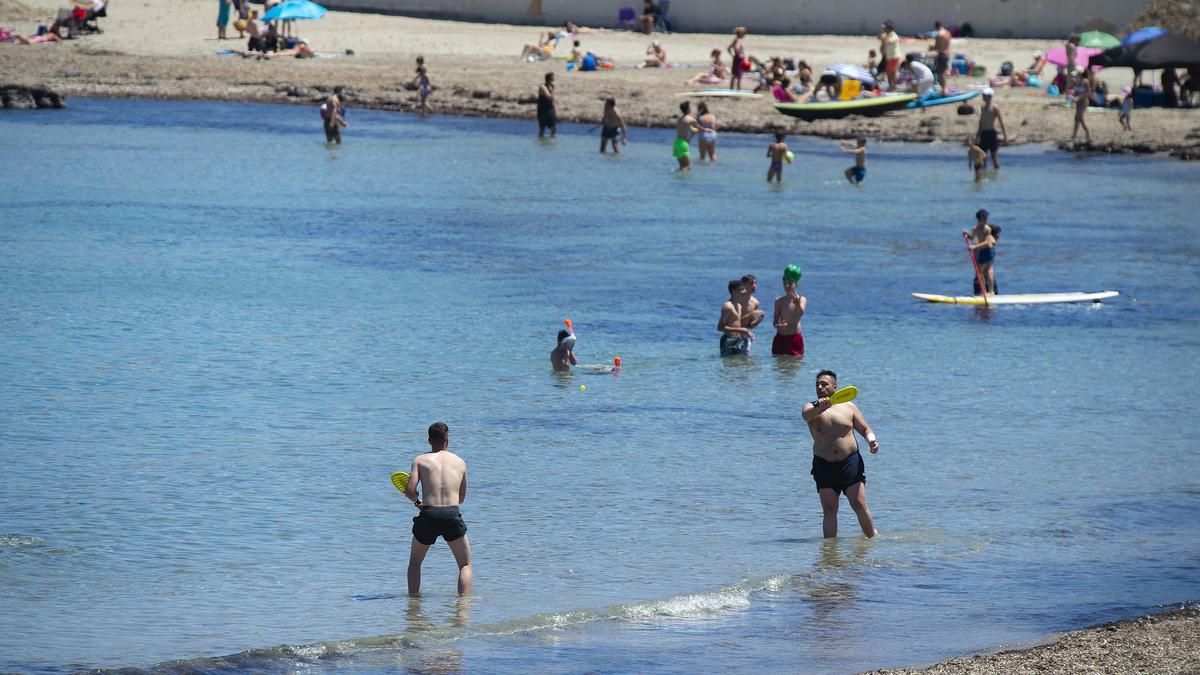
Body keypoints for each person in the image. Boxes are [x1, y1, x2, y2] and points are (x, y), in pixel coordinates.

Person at [802, 370, 879, 538]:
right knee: (829, 509)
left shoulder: (849, 407)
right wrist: (820, 407)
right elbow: (806, 416)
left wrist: (871, 440)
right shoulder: (811, 406)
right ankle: (830, 554)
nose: (820, 387)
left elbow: (865, 428)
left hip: (850, 462)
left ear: (835, 387)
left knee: (858, 504)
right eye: (817, 385)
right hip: (824, 464)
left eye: (824, 384)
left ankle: (872, 539)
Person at [405, 422, 472, 596]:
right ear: (447, 441)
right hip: (451, 514)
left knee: (415, 563)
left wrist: (417, 501)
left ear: (429, 440)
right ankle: (463, 609)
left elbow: (410, 491)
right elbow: (461, 498)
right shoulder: (460, 462)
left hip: (428, 515)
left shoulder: (420, 460)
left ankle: (413, 606)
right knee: (464, 565)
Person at [771, 264, 806, 357]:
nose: (786, 286)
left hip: (794, 338)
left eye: (790, 283)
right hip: (780, 338)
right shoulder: (778, 301)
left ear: (796, 284)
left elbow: (800, 313)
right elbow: (774, 321)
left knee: (795, 366)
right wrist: (778, 325)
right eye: (784, 283)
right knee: (779, 366)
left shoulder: (801, 299)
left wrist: (797, 303)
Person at [717, 279, 754, 356]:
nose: (744, 292)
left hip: (739, 340)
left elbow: (737, 323)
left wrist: (747, 332)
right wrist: (741, 330)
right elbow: (720, 327)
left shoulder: (739, 305)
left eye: (745, 289)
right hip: (728, 340)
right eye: (741, 289)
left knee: (740, 364)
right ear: (733, 291)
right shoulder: (728, 306)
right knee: (729, 366)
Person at [964, 209, 997, 295]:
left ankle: (991, 291)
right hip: (982, 251)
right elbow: (972, 238)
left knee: (988, 270)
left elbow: (987, 242)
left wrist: (974, 246)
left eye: (986, 218)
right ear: (979, 219)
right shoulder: (975, 229)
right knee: (980, 272)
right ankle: (984, 292)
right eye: (984, 218)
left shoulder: (987, 229)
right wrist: (967, 234)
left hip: (989, 250)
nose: (986, 220)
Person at [673, 101, 709, 172]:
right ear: (688, 109)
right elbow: (694, 130)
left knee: (681, 167)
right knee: (687, 167)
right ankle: (685, 183)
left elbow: (688, 129)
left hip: (677, 143)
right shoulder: (689, 119)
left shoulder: (679, 120)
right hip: (683, 144)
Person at [976, 88, 1007, 169]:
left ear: (989, 96)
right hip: (983, 134)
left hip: (992, 133)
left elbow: (1001, 122)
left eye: (984, 95)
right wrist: (978, 135)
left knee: (994, 157)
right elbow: (981, 122)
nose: (983, 97)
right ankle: (984, 175)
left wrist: (1005, 136)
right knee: (983, 157)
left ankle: (996, 175)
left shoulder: (995, 107)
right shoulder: (982, 107)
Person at [1070, 70, 1093, 145]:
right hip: (1078, 102)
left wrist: (1078, 97)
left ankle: (1074, 136)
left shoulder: (1085, 81)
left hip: (1083, 102)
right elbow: (1075, 92)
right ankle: (1088, 135)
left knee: (1078, 118)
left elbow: (1089, 93)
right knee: (1079, 119)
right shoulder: (1077, 81)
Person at [931, 21, 952, 96]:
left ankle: (943, 91)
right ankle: (944, 90)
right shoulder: (948, 33)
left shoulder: (939, 34)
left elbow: (937, 47)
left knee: (941, 74)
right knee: (943, 73)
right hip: (947, 53)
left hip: (942, 54)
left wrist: (931, 48)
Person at [879, 20, 900, 90]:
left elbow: (889, 41)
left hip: (894, 57)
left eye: (885, 28)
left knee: (891, 72)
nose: (884, 30)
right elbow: (879, 37)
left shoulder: (893, 35)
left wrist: (884, 37)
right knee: (889, 72)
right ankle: (891, 86)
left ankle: (892, 87)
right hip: (889, 57)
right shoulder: (886, 35)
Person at [537, 72, 557, 138]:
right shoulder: (543, 87)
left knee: (553, 128)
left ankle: (552, 141)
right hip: (543, 110)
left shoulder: (551, 87)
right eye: (553, 78)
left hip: (550, 109)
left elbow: (552, 99)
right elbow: (550, 97)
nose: (554, 79)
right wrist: (553, 89)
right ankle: (541, 140)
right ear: (549, 79)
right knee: (542, 128)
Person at [728, 27, 748, 91]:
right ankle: (738, 89)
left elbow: (728, 48)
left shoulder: (735, 39)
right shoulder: (739, 40)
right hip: (739, 59)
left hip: (736, 58)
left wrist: (732, 55)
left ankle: (731, 89)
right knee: (739, 75)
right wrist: (740, 54)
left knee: (734, 75)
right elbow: (737, 48)